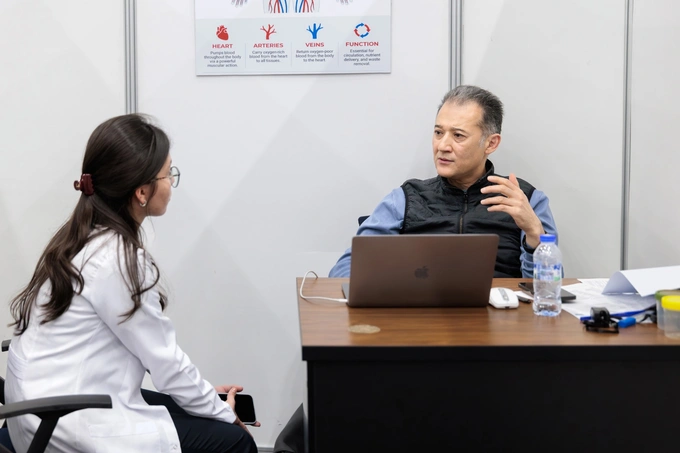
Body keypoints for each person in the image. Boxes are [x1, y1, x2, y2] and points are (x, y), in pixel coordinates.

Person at [6, 114, 259, 453]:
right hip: (67, 423)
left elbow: (154, 358)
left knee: (193, 409)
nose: (172, 182)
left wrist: (203, 398)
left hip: (39, 408)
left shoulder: (80, 237)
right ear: (141, 192)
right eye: (168, 173)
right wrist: (224, 414)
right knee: (235, 442)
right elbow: (166, 363)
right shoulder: (118, 260)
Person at [329, 85, 558, 279]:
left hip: (500, 314)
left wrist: (534, 232)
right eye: (439, 133)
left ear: (491, 143)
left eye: (458, 135)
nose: (442, 146)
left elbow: (548, 289)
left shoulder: (524, 199)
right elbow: (347, 267)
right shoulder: (406, 198)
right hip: (421, 312)